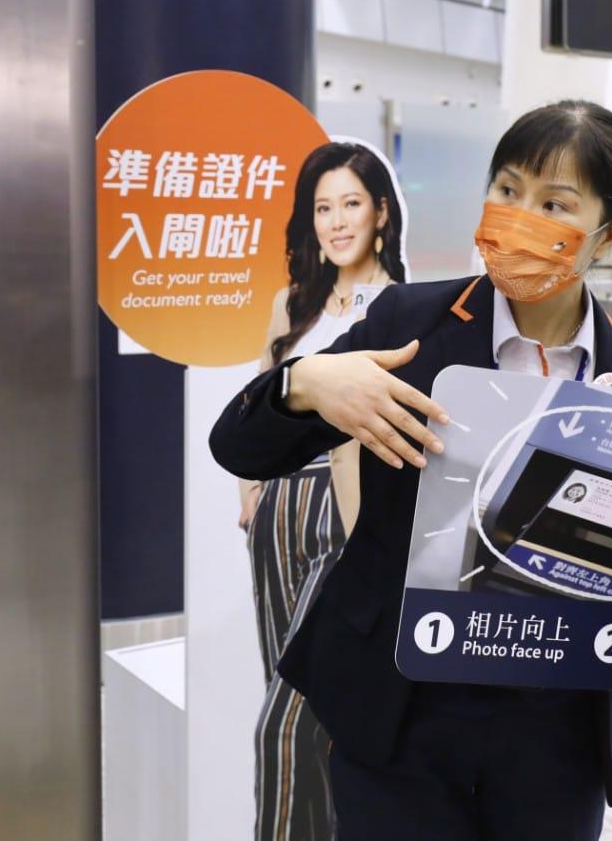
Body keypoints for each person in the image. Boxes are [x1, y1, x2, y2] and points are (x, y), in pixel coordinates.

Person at [211, 100, 612, 840]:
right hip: (399, 711)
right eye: (507, 189)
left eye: (555, 204)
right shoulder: (407, 325)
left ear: (609, 234)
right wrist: (303, 383)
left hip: (555, 728)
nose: (519, 217)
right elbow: (239, 446)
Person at [239, 140, 407, 841]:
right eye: (323, 207)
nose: (337, 222)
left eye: (351, 204)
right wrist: (251, 488)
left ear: (381, 214)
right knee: (303, 710)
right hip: (278, 512)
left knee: (287, 720)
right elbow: (260, 400)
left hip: (350, 515)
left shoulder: (404, 308)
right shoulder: (292, 304)